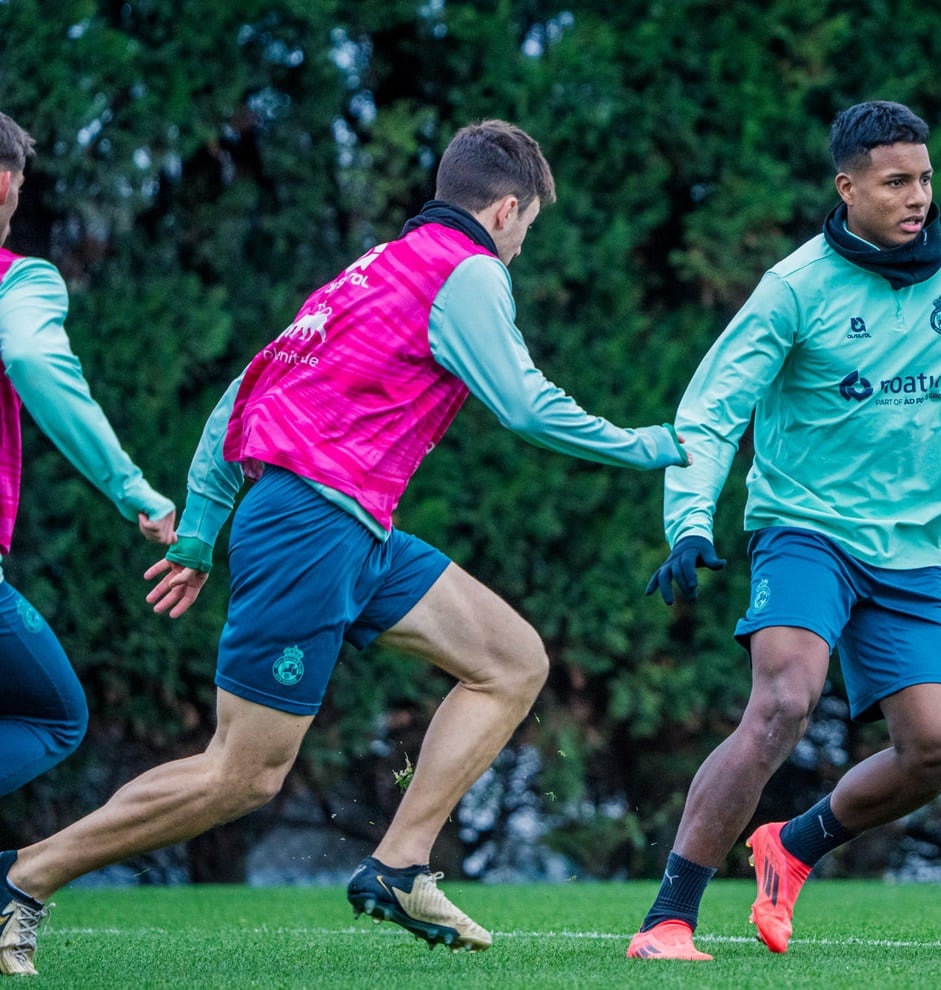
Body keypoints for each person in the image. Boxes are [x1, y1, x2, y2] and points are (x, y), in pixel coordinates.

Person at [0, 119, 689, 977]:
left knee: (511, 661)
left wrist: (207, 529)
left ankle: (400, 865)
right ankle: (24, 879)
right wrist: (653, 445)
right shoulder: (467, 269)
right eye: (526, 234)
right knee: (242, 774)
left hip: (351, 525)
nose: (518, 253)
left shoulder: (370, 269)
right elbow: (522, 403)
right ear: (507, 211)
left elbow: (237, 397)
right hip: (312, 527)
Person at [625, 100, 941, 962]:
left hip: (913, 552)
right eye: (896, 181)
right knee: (784, 697)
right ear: (847, 186)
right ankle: (668, 921)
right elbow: (711, 414)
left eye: (926, 178)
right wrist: (688, 522)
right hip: (806, 529)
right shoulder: (795, 288)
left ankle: (792, 846)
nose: (918, 197)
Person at [0, 109, 178, 802]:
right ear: (6, 183)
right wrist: (133, 487)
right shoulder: (19, 280)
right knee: (55, 716)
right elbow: (33, 359)